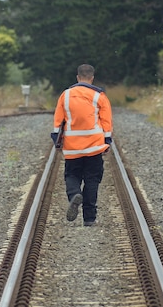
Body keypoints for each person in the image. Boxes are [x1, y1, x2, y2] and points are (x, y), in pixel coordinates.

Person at [51, 64, 113, 227]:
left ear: (77, 77)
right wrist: (107, 142)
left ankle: (74, 195)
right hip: (94, 145)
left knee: (72, 175)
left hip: (72, 147)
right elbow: (106, 122)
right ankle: (89, 218)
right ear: (91, 78)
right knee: (92, 179)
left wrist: (56, 142)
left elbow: (58, 122)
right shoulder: (99, 96)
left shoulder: (65, 95)